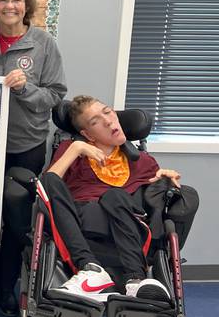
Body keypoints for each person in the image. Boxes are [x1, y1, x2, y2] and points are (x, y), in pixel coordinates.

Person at [0, 0, 67, 317]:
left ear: (27, 6)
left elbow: (56, 97)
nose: (9, 5)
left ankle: (8, 289)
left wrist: (25, 89)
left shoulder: (43, 44)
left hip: (26, 146)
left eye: (16, 0)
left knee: (15, 221)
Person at [42, 95, 176, 302]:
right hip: (81, 225)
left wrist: (164, 181)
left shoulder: (144, 162)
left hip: (128, 229)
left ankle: (135, 279)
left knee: (115, 195)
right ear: (87, 134)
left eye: (107, 112)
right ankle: (91, 269)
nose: (108, 121)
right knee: (49, 180)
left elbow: (152, 206)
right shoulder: (70, 152)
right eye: (95, 121)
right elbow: (46, 187)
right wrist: (76, 148)